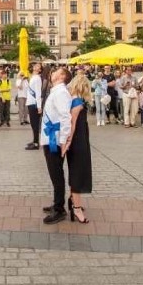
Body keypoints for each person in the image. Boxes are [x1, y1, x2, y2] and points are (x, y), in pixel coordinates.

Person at [41, 67, 73, 224]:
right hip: (50, 137)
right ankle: (56, 203)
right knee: (55, 173)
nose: (52, 73)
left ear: (62, 76)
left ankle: (59, 209)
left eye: (56, 71)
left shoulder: (60, 93)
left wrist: (63, 140)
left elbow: (65, 117)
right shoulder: (57, 91)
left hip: (55, 139)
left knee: (56, 173)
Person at [64, 72, 92, 224]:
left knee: (77, 170)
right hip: (77, 139)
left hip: (79, 138)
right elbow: (73, 124)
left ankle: (73, 199)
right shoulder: (77, 103)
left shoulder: (74, 100)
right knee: (78, 171)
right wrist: (69, 142)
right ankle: (77, 207)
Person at [25, 63, 43, 149]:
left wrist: (39, 106)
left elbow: (38, 93)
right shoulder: (33, 77)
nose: (36, 66)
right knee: (33, 124)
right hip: (30, 102)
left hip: (34, 104)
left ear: (40, 70)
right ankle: (35, 140)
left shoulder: (37, 78)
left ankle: (36, 143)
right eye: (35, 65)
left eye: (38, 66)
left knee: (35, 124)